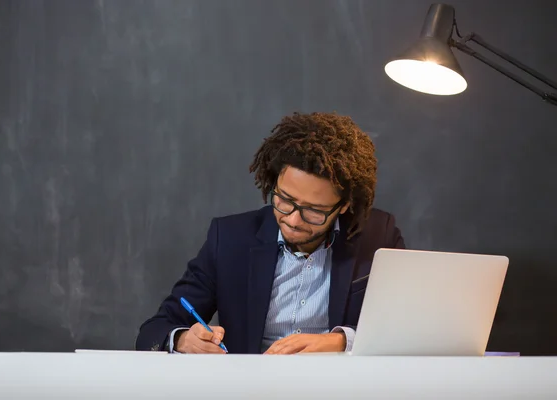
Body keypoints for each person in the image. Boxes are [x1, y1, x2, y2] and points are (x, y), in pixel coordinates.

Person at [135, 111, 405, 354]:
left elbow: (404, 331)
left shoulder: (379, 235)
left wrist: (340, 341)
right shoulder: (229, 239)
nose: (293, 219)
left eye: (314, 210)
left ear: (344, 205)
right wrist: (183, 339)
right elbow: (155, 330)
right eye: (285, 200)